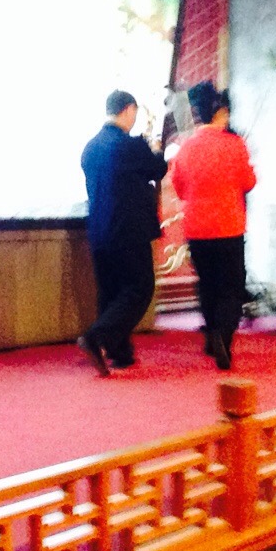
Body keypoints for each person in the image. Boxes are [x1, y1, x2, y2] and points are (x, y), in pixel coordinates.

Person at [77, 90, 167, 376]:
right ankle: (97, 337)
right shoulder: (130, 145)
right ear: (128, 110)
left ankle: (120, 353)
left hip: (99, 231)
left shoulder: (89, 148)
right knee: (140, 288)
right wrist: (155, 148)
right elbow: (158, 169)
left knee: (111, 292)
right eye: (135, 113)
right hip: (129, 230)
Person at [171, 82, 257, 370]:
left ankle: (211, 335)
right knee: (231, 287)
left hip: (197, 228)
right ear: (220, 113)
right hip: (229, 226)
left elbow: (179, 188)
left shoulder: (186, 148)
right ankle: (223, 334)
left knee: (207, 284)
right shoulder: (235, 145)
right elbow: (249, 182)